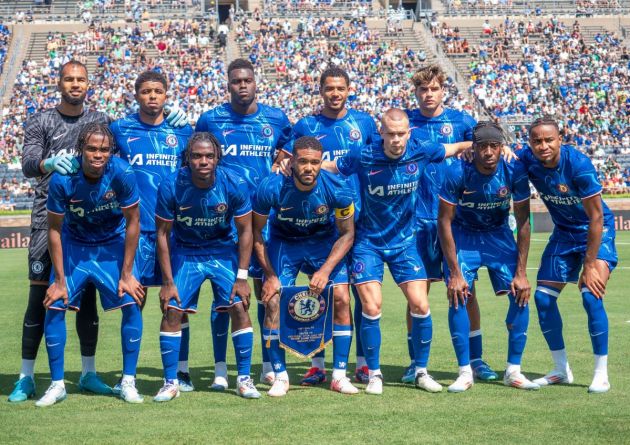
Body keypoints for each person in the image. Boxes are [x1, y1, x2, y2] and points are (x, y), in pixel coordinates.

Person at [11, 60, 187, 403]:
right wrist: (48, 164)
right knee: (43, 298)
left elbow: (138, 135)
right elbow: (29, 164)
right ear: (59, 82)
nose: (75, 84)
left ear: (88, 84)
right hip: (47, 220)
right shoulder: (41, 120)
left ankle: (92, 374)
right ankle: (26, 377)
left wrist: (180, 124)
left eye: (81, 80)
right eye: (69, 79)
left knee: (95, 301)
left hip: (95, 227)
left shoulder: (103, 122)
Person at [323, 108, 472, 395]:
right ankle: (375, 374)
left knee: (421, 305)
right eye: (390, 134)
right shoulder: (364, 155)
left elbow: (456, 147)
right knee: (372, 306)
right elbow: (333, 167)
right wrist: (302, 165)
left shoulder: (421, 150)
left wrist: (485, 147)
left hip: (405, 244)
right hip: (369, 244)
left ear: (409, 133)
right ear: (381, 133)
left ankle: (420, 371)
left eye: (401, 134)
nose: (396, 140)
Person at [196, 58, 292, 389]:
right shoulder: (211, 119)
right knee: (224, 298)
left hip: (265, 221)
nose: (242, 85)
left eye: (247, 80)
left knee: (268, 294)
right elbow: (196, 154)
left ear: (255, 82)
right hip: (224, 224)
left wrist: (283, 156)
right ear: (228, 84)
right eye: (235, 81)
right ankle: (221, 368)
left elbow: (291, 146)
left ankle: (268, 362)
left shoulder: (276, 118)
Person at [36, 123, 145, 407]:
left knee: (132, 301)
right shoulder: (63, 179)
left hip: (111, 245)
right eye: (92, 149)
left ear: (111, 151)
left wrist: (128, 273)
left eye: (105, 149)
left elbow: (133, 222)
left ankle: (128, 381)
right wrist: (59, 280)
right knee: (55, 303)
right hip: (75, 245)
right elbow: (54, 231)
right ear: (81, 149)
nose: (98, 155)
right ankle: (57, 384)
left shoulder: (122, 173)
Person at [284, 66, 379, 385]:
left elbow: (378, 161)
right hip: (320, 225)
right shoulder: (306, 125)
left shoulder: (364, 123)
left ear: (349, 89)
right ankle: (318, 362)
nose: (335, 93)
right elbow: (285, 161)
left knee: (360, 296)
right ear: (321, 90)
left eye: (340, 88)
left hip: (358, 221)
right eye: (329, 88)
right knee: (322, 293)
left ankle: (363, 363)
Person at [404, 65, 497, 383]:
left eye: (433, 89)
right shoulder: (406, 123)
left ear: (443, 90)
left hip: (455, 221)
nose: (428, 94)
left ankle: (476, 359)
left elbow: (486, 147)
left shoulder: (461, 122)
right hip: (416, 220)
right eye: (422, 90)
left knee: (466, 291)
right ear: (415, 93)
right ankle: (415, 362)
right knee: (417, 292)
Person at [154, 132, 260, 401]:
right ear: (187, 158)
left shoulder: (233, 183)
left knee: (238, 304)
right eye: (197, 156)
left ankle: (244, 380)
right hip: (186, 252)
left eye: (209, 156)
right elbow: (163, 234)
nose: (203, 161)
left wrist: (242, 276)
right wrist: (167, 282)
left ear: (217, 158)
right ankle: (170, 382)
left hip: (222, 251)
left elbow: (246, 231)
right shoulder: (171, 185)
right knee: (173, 310)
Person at [437, 121, 539, 392]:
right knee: (458, 293)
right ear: (474, 147)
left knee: (520, 292)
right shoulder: (458, 170)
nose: (489, 152)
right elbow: (444, 222)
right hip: (463, 234)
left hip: (498, 235)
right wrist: (455, 273)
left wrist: (521, 271)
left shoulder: (514, 169)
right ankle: (464, 372)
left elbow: (524, 221)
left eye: (495, 146)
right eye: (482, 146)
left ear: (501, 146)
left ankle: (513, 370)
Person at [518, 117, 617, 393]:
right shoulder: (527, 159)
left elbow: (596, 216)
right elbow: (507, 156)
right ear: (530, 143)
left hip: (595, 230)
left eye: (549, 139)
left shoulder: (578, 164)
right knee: (542, 299)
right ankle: (561, 369)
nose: (543, 145)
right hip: (563, 232)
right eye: (537, 140)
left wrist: (589, 264)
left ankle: (601, 373)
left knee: (590, 293)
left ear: (560, 139)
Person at [253, 136, 357, 397]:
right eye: (303, 162)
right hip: (285, 242)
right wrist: (269, 276)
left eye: (314, 162)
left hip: (322, 244)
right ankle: (280, 375)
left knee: (343, 298)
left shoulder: (339, 188)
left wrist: (324, 271)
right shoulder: (271, 187)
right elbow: (254, 233)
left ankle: (339, 375)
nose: (309, 168)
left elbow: (347, 234)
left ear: (321, 162)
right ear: (292, 162)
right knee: (273, 300)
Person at [110, 70, 193, 392]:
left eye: (158, 91)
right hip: (137, 231)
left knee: (177, 304)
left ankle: (180, 372)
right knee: (133, 302)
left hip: (173, 233)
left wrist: (191, 124)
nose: (152, 96)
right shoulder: (120, 129)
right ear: (137, 94)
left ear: (167, 93)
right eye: (146, 91)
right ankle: (127, 376)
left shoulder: (182, 131)